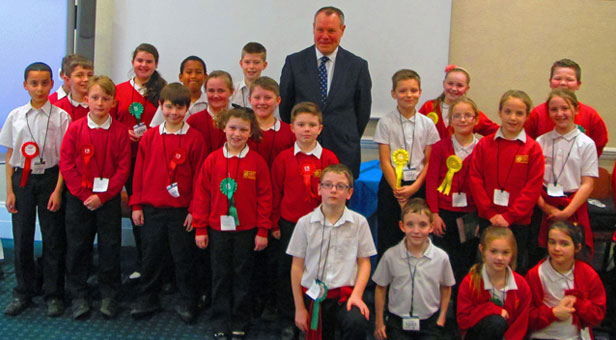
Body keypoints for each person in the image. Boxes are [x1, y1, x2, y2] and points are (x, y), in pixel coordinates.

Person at [192, 107, 272, 339]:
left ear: (251, 132)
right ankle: (220, 319)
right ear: (223, 128)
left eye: (243, 129)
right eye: (232, 128)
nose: (237, 134)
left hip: (246, 231)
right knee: (220, 275)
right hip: (217, 230)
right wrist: (200, 228)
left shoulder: (256, 162)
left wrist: (263, 230)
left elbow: (265, 197)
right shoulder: (212, 160)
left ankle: (240, 318)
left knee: (242, 275)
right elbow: (201, 196)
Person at [129, 83, 206, 323]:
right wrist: (136, 205)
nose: (174, 112)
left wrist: (194, 210)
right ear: (161, 106)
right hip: (152, 209)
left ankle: (187, 300)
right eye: (169, 106)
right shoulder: (150, 137)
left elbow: (200, 180)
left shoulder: (195, 139)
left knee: (184, 258)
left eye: (179, 107)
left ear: (187, 108)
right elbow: (139, 173)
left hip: (181, 211)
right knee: (151, 256)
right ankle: (147, 297)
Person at [0, 62, 70, 317]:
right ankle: (23, 292)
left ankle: (53, 294)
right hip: (22, 181)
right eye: (34, 83)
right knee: (22, 238)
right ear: (25, 85)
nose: (39, 88)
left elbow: (65, 158)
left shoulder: (62, 117)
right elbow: (10, 156)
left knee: (53, 239)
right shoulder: (15, 116)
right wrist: (9, 191)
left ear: (52, 84)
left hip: (51, 179)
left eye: (44, 83)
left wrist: (58, 191)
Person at [60, 75, 131, 319]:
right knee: (78, 246)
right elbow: (67, 164)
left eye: (105, 98)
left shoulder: (120, 132)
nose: (100, 103)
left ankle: (109, 295)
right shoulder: (75, 128)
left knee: (110, 247)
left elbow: (123, 168)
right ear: (86, 99)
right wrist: (83, 195)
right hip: (79, 200)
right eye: (95, 98)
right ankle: (78, 295)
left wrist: (104, 196)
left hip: (107, 200)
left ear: (113, 101)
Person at [270, 101, 339, 339]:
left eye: (312, 125)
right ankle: (288, 318)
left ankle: (314, 317)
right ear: (292, 128)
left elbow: (336, 194)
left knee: (317, 269)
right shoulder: (283, 158)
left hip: (320, 225)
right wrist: (274, 223)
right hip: (290, 225)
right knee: (288, 271)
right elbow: (275, 192)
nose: (306, 129)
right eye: (301, 124)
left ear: (320, 128)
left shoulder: (329, 158)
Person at [279, 6, 371, 179]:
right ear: (313, 28)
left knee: (340, 204)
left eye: (331, 30)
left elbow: (363, 111)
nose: (324, 36)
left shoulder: (358, 66)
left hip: (343, 151)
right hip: (303, 149)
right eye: (320, 29)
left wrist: (345, 134)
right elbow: (286, 108)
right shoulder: (294, 62)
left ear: (342, 30)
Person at [287, 163, 376, 340]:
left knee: (356, 322)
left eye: (340, 186)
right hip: (313, 296)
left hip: (344, 295)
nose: (333, 190)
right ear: (319, 189)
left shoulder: (359, 223)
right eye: (328, 185)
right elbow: (297, 267)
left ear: (349, 193)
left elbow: (364, 263)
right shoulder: (304, 223)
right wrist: (299, 308)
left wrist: (357, 295)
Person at [469, 90, 544, 274]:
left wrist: (509, 216)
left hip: (518, 222)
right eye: (508, 111)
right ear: (500, 112)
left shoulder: (533, 149)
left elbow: (532, 188)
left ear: (527, 116)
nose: (513, 118)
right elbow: (475, 179)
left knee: (514, 267)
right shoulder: (484, 145)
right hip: (489, 218)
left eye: (519, 113)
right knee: (485, 266)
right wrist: (490, 213)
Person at [111, 43, 167, 280]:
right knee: (127, 210)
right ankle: (135, 263)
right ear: (133, 62)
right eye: (140, 60)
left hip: (153, 160)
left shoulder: (162, 91)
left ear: (155, 65)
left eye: (149, 61)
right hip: (124, 158)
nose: (144, 65)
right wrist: (126, 134)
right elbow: (110, 123)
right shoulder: (118, 90)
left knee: (149, 212)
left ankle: (153, 265)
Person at [374, 69, 439, 257]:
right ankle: (387, 284)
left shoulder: (427, 124)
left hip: (418, 187)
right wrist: (398, 189)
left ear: (420, 92)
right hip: (392, 186)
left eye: (413, 90)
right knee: (389, 236)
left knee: (418, 236)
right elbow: (385, 160)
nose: (408, 95)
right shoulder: (385, 123)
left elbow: (429, 161)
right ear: (393, 94)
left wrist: (415, 186)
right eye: (402, 91)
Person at [373, 198, 455, 340]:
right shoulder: (390, 256)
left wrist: (441, 318)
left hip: (429, 323)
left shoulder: (441, 258)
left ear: (431, 227)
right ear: (402, 226)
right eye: (410, 225)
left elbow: (446, 287)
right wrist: (379, 322)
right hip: (397, 322)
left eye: (422, 225)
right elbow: (380, 288)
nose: (416, 231)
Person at [536, 88, 597, 260]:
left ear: (576, 110)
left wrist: (567, 212)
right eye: (554, 109)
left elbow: (588, 183)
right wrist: (545, 207)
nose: (560, 114)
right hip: (545, 205)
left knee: (572, 255)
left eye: (565, 108)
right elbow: (533, 180)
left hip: (573, 205)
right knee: (543, 253)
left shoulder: (586, 144)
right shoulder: (541, 141)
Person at [426, 97, 480, 289]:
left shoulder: (482, 148)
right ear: (450, 120)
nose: (462, 120)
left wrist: (481, 218)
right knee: (444, 261)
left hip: (471, 216)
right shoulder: (441, 147)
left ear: (476, 119)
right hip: (444, 214)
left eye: (467, 116)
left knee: (466, 262)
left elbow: (484, 185)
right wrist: (434, 214)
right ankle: (443, 305)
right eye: (457, 116)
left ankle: (462, 304)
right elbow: (431, 181)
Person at [526, 221, 606, 340]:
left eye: (564, 244)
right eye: (552, 242)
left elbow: (597, 315)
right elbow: (526, 316)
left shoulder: (588, 274)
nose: (556, 248)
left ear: (577, 247)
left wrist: (578, 303)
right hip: (542, 336)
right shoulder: (535, 274)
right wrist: (552, 313)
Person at [457, 227, 531, 340]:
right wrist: (492, 310)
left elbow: (521, 324)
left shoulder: (521, 284)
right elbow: (463, 321)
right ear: (482, 250)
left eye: (505, 253)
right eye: (493, 251)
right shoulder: (470, 282)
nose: (499, 258)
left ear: (513, 253)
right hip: (478, 335)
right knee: (496, 322)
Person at [524, 58, 608, 157]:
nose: (563, 83)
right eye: (558, 79)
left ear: (578, 84)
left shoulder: (590, 115)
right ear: (550, 82)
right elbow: (527, 144)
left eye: (569, 79)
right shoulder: (536, 114)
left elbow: (598, 145)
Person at [419, 64, 498, 139]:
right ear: (443, 83)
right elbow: (416, 131)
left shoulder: (471, 112)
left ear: (467, 88)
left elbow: (497, 132)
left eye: (459, 85)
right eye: (450, 83)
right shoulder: (429, 107)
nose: (453, 89)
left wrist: (482, 147)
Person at [248, 76, 295, 166]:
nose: (262, 102)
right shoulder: (242, 131)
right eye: (257, 97)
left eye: (268, 98)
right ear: (250, 100)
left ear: (278, 100)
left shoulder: (290, 132)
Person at [149, 55, 208, 127]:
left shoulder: (209, 102)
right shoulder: (170, 99)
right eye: (189, 72)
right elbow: (155, 127)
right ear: (181, 77)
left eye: (198, 72)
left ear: (205, 77)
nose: (193, 76)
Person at [186, 70, 233, 156]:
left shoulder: (240, 121)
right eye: (211, 91)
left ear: (231, 92)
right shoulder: (194, 121)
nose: (215, 95)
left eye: (221, 91)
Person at [53, 54, 94, 121]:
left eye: (90, 75)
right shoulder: (57, 109)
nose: (86, 79)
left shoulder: (100, 106)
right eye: (79, 75)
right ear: (67, 79)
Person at [231, 42, 268, 109]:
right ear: (241, 63)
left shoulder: (270, 92)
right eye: (247, 62)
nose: (251, 66)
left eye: (256, 62)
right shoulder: (232, 91)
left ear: (264, 65)